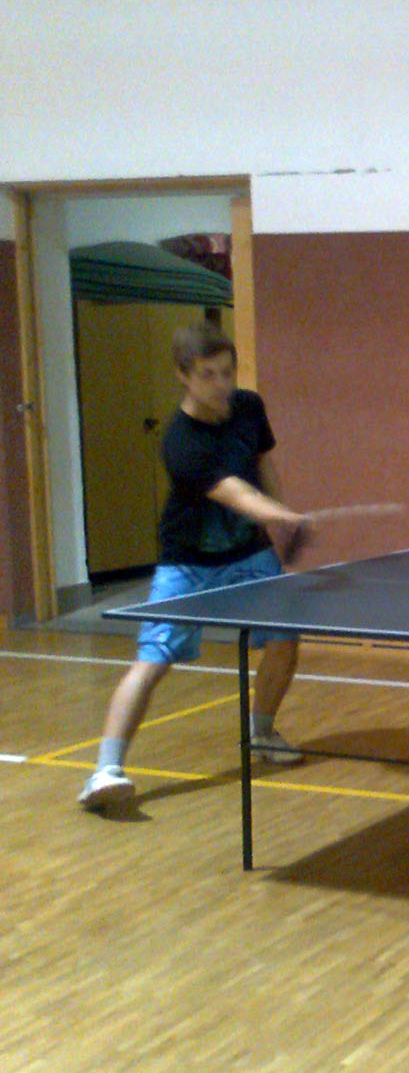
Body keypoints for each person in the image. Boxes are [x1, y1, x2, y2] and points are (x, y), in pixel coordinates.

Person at [78, 324, 313, 811]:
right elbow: (234, 492)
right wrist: (279, 516)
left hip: (249, 552)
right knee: (153, 660)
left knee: (285, 639)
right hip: (188, 562)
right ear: (183, 375)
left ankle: (261, 734)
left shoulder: (249, 407)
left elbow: (262, 464)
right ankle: (104, 772)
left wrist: (281, 513)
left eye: (227, 372)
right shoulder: (180, 442)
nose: (222, 384)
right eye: (209, 375)